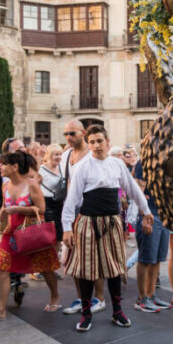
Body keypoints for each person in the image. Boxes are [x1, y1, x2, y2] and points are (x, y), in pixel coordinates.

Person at [62, 125, 153, 332]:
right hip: (88, 223)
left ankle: (117, 312)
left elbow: (132, 189)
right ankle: (86, 314)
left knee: (114, 269)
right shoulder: (83, 167)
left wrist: (146, 212)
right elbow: (72, 200)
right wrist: (67, 227)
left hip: (111, 223)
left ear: (107, 142)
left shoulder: (117, 164)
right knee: (86, 271)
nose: (95, 145)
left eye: (99, 141)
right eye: (92, 142)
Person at [0, 152, 61, 322]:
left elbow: (41, 209)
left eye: (3, 164)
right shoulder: (5, 186)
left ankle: (55, 297)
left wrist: (17, 210)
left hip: (32, 232)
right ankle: (0, 310)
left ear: (15, 167)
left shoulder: (31, 185)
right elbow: (6, 207)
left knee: (45, 267)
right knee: (2, 269)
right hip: (11, 232)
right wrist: (0, 219)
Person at [59, 120, 106, 316]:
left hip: (91, 210)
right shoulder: (66, 155)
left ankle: (100, 298)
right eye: (66, 134)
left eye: (73, 133)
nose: (69, 138)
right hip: (72, 211)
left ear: (83, 133)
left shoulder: (93, 156)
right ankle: (82, 298)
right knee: (74, 257)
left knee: (93, 257)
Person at [132, 148, 171, 313]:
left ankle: (151, 294)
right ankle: (142, 298)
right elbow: (138, 191)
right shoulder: (144, 163)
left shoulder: (167, 163)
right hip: (150, 214)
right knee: (146, 258)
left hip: (163, 214)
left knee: (157, 258)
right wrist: (144, 216)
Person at [38, 143, 66, 292]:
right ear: (48, 155)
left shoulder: (61, 167)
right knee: (48, 239)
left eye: (60, 154)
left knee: (58, 239)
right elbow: (34, 188)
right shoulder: (40, 170)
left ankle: (51, 266)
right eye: (56, 154)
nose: (59, 157)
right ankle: (42, 267)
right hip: (46, 205)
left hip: (60, 204)